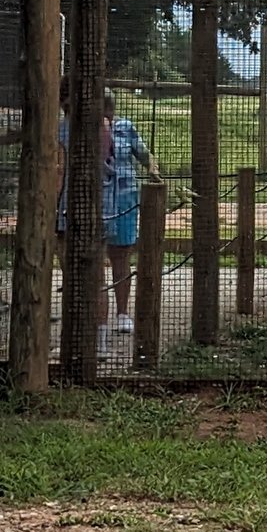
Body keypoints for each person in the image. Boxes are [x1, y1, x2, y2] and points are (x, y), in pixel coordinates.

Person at [96, 87, 154, 352]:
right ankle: (98, 322)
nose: (108, 112)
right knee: (96, 261)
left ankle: (122, 313)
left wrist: (153, 168)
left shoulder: (125, 128)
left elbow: (143, 154)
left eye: (110, 107)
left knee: (121, 256)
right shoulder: (86, 129)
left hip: (125, 199)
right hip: (97, 201)